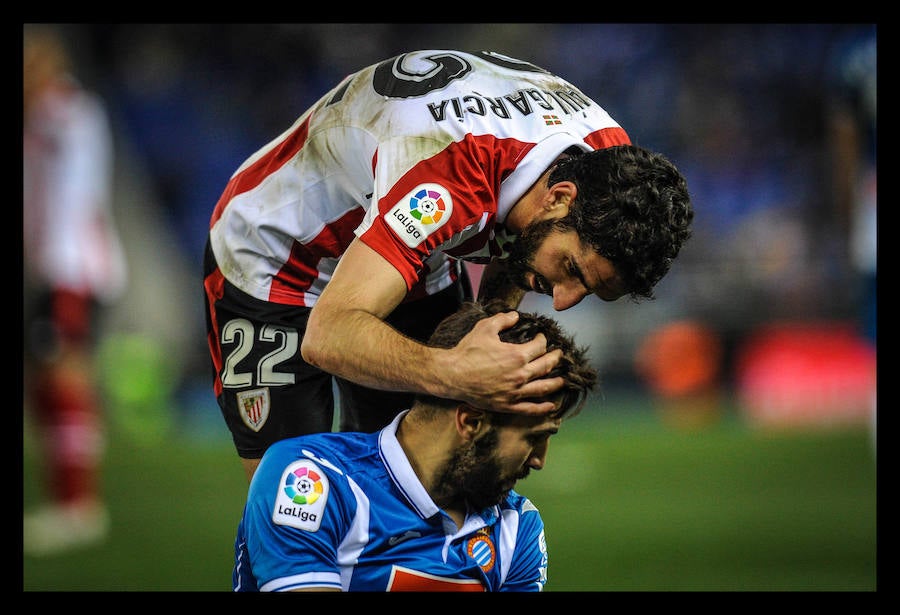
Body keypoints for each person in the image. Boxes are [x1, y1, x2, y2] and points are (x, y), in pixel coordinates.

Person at [204, 49, 693, 481]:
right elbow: (329, 334)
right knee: (290, 497)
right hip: (275, 258)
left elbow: (522, 240)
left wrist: (490, 330)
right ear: (560, 198)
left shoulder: (608, 167)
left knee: (420, 477)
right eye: (572, 272)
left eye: (588, 292)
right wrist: (454, 371)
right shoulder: (450, 178)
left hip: (412, 254)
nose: (563, 300)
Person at [233, 299, 597, 591]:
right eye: (534, 438)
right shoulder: (312, 481)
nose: (539, 461)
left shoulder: (516, 529)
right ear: (470, 422)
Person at [23, 25, 128, 555]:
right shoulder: (41, 120)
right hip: (51, 270)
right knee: (45, 381)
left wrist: (57, 275)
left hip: (73, 268)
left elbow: (73, 195)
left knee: (64, 375)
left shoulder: (68, 114)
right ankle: (67, 499)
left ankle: (77, 507)